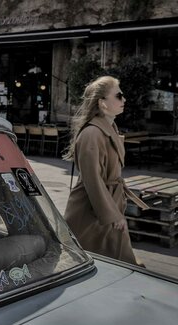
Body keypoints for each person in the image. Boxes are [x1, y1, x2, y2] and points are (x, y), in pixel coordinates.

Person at [62, 76, 149, 266]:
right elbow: (92, 179)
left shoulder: (108, 129)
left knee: (116, 264)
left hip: (107, 207)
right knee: (94, 264)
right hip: (92, 212)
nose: (124, 100)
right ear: (103, 104)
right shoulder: (92, 134)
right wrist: (112, 215)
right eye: (119, 96)